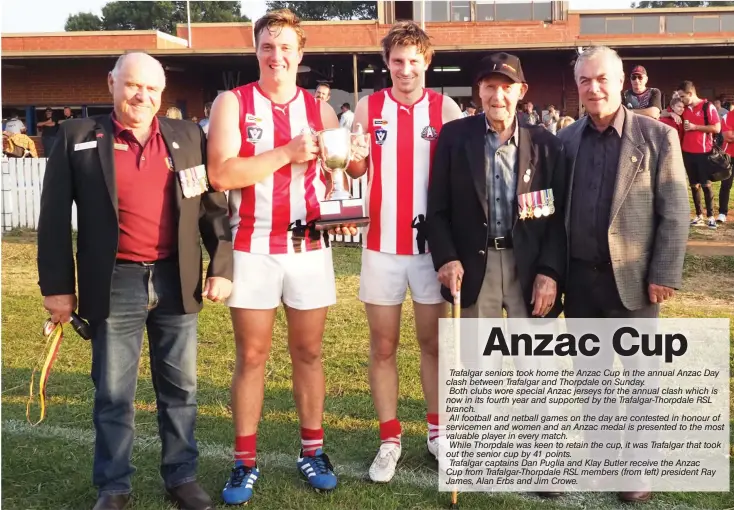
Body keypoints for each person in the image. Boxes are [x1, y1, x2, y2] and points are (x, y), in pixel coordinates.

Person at [36, 52, 234, 510]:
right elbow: (50, 221)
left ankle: (182, 477)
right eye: (133, 85)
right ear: (111, 83)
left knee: (180, 389)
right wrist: (57, 288)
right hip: (113, 282)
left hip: (175, 278)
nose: (142, 96)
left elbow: (213, 209)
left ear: (162, 94)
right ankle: (113, 486)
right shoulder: (77, 137)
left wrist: (220, 266)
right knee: (112, 392)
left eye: (152, 89)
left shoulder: (187, 137)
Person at [206, 9, 354, 505]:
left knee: (309, 353)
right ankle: (244, 461)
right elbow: (222, 175)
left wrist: (349, 178)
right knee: (251, 356)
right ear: (256, 51)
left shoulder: (322, 111)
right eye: (268, 46)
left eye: (286, 47)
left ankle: (312, 451)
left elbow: (341, 174)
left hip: (309, 245)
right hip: (253, 245)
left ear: (300, 55)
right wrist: (286, 153)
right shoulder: (233, 102)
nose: (277, 56)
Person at [557, 46, 689, 503]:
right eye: (584, 81)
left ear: (619, 82)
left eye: (601, 79)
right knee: (590, 377)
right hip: (581, 282)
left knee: (638, 379)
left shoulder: (657, 138)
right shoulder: (567, 140)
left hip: (635, 282)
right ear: (577, 87)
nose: (593, 88)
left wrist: (664, 272)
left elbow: (676, 212)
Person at [344, 20, 463, 484]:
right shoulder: (367, 107)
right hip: (381, 247)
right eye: (397, 61)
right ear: (386, 63)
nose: (406, 69)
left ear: (426, 61)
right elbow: (353, 169)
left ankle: (438, 434)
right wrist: (348, 157)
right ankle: (390, 439)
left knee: (433, 344)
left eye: (414, 61)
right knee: (383, 346)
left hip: (433, 250)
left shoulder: (447, 108)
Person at [426, 51, 566, 320]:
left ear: (521, 91)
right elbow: (437, 208)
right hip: (475, 268)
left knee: (533, 361)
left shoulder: (548, 146)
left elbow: (557, 220)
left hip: (529, 269)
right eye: (490, 86)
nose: (497, 96)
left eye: (507, 87)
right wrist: (446, 257)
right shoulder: (454, 138)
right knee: (479, 360)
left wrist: (549, 272)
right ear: (479, 89)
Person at [677, 80, 722, 229]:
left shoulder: (707, 106)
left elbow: (716, 128)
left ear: (690, 93)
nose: (681, 100)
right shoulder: (684, 108)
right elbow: (666, 111)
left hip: (703, 152)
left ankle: (710, 216)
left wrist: (695, 127)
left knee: (706, 185)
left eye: (683, 96)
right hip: (687, 152)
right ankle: (698, 215)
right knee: (693, 185)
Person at [718, 92, 734, 223]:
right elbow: (728, 137)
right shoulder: (727, 116)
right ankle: (722, 213)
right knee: (726, 185)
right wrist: (732, 135)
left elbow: (733, 135)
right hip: (729, 155)